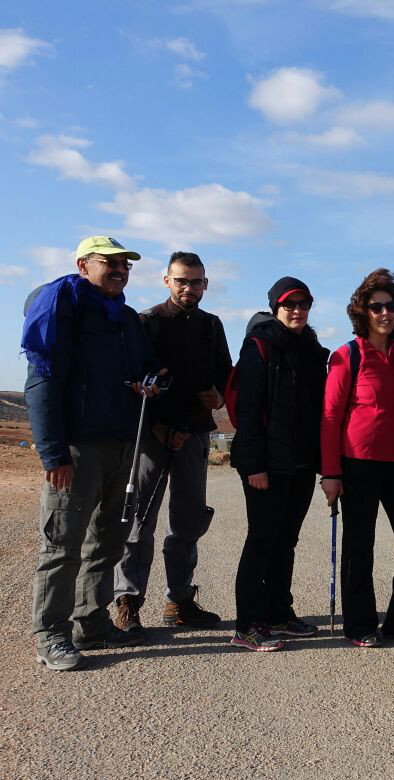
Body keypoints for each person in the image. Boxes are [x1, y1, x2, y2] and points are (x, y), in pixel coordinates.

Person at [22, 236, 157, 670]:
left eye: (125, 265)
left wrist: (147, 382)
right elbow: (42, 383)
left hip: (122, 445)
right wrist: (52, 454)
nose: (120, 270)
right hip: (77, 450)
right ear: (83, 265)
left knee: (108, 540)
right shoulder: (63, 308)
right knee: (63, 545)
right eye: (110, 262)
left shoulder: (126, 318)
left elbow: (143, 369)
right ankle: (51, 635)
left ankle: (92, 622)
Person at [113, 251, 232, 635]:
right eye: (181, 280)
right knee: (138, 523)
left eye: (196, 281)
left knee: (188, 523)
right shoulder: (146, 322)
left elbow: (224, 380)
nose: (189, 288)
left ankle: (179, 602)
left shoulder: (212, 326)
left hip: (195, 435)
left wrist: (219, 397)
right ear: (167, 280)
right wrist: (161, 428)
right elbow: (129, 381)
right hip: (151, 436)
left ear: (205, 284)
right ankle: (127, 603)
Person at [320, 269, 394, 647]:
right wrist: (331, 473)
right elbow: (330, 416)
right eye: (376, 306)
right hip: (356, 463)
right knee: (359, 545)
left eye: (390, 306)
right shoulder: (347, 355)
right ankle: (360, 624)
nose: (384, 313)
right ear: (363, 311)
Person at [230, 277, 328, 652]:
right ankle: (247, 624)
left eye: (303, 304)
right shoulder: (260, 347)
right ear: (275, 308)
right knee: (262, 540)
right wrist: (255, 465)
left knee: (286, 540)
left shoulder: (312, 350)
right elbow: (249, 411)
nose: (297, 311)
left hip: (300, 464)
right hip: (266, 466)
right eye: (289, 305)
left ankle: (278, 613)